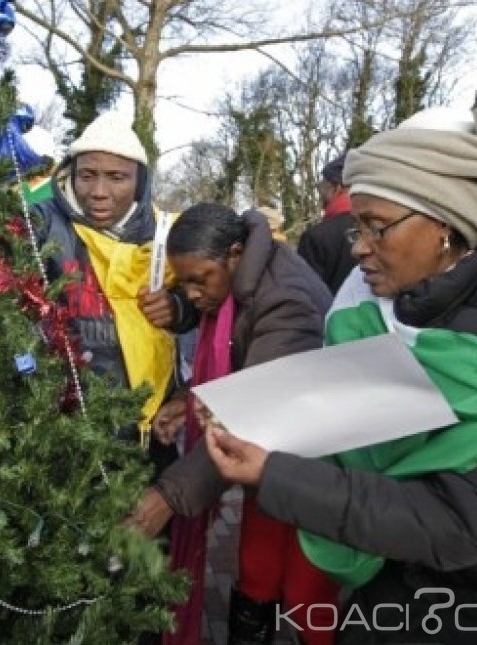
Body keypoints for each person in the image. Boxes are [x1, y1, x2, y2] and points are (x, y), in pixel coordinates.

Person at [201, 105, 477, 644]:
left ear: (446, 222)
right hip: (393, 590)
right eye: (356, 226)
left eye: (377, 227)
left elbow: (457, 521)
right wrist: (253, 416)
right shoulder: (405, 313)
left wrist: (271, 473)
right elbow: (357, 408)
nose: (357, 247)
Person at [130, 206, 337, 644]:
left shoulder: (286, 303)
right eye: (180, 282)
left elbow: (256, 414)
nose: (191, 294)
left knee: (306, 588)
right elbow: (225, 336)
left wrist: (168, 495)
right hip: (274, 454)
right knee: (257, 569)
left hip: (313, 458)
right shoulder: (242, 278)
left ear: (235, 254)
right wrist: (190, 399)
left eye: (198, 280)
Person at [31, 111, 185, 461]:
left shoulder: (166, 235)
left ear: (140, 182)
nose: (99, 192)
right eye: (87, 176)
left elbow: (211, 295)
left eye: (117, 178)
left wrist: (179, 308)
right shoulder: (38, 224)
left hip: (149, 425)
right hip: (62, 427)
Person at [297, 154, 356, 294]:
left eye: (322, 187)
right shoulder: (378, 229)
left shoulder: (315, 237)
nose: (320, 194)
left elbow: (305, 296)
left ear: (337, 187)